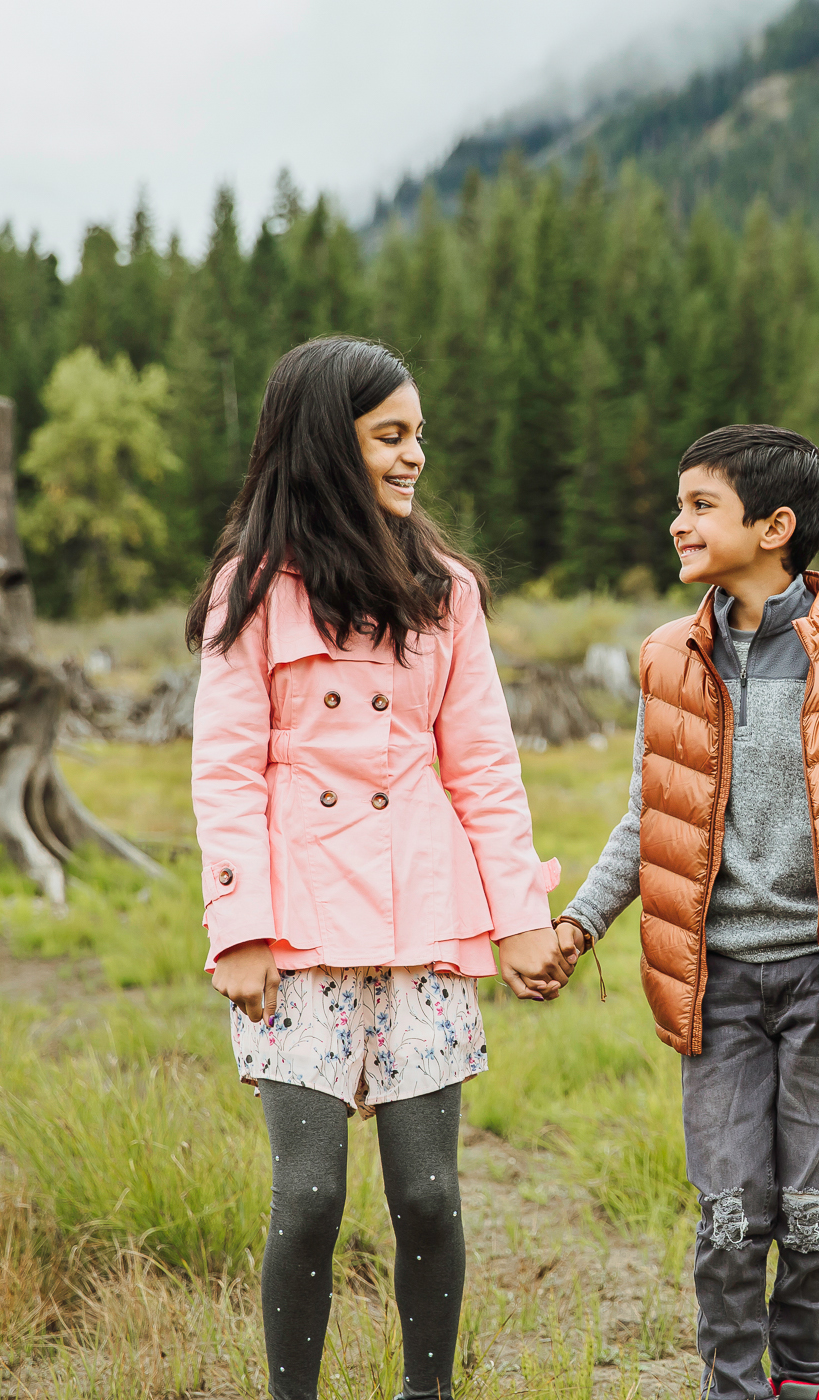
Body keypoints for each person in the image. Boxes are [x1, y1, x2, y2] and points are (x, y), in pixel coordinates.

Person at [187, 335, 571, 1400]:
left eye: (419, 437)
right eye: (390, 436)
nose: (415, 458)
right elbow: (225, 770)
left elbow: (485, 765)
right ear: (327, 442)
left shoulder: (446, 591)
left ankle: (427, 1394)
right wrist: (240, 926)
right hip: (298, 928)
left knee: (431, 1196)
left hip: (424, 925)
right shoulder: (252, 590)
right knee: (308, 1196)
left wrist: (519, 915)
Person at [557, 425, 819, 1400]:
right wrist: (579, 924)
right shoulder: (670, 662)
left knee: (810, 1215)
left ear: (776, 528)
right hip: (714, 989)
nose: (675, 521)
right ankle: (733, 1386)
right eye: (678, 503)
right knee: (730, 1216)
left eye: (698, 506)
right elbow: (648, 821)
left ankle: (801, 1378)